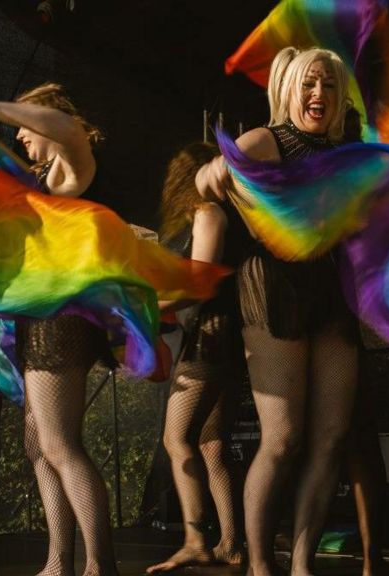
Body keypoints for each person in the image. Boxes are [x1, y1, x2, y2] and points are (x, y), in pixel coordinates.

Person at [196, 47, 361, 576]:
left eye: (330, 86)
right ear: (290, 88)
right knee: (284, 439)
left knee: (332, 437)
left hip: (331, 294)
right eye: (311, 84)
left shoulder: (347, 149)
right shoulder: (269, 139)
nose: (319, 95)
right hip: (274, 291)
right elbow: (205, 178)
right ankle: (261, 565)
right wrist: (216, 171)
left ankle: (302, 566)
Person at [0, 85, 117, 576]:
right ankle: (58, 562)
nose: (21, 133)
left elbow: (65, 129)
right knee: (37, 443)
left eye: (27, 124)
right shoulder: (41, 175)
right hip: (35, 322)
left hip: (60, 322)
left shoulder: (73, 170)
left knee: (60, 443)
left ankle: (99, 567)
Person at [146, 142, 250, 573]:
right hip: (221, 335)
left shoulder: (207, 213)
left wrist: (150, 306)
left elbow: (202, 282)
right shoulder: (208, 214)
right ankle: (231, 543)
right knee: (211, 445)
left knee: (177, 438)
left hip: (212, 336)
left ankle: (195, 540)